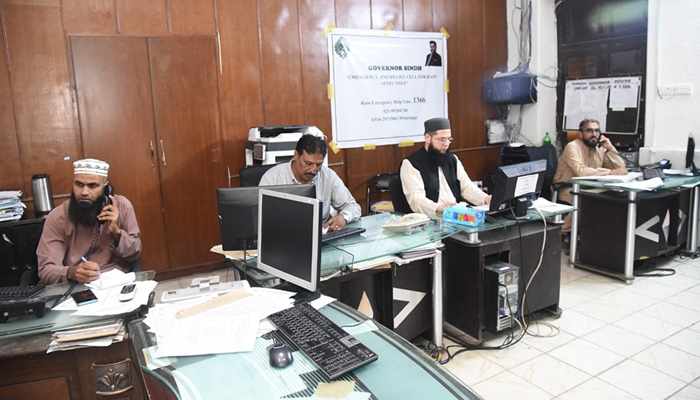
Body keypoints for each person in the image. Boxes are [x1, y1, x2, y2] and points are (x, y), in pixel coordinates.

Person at [37, 159, 142, 284]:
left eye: (93, 186)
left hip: (114, 283)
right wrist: (71, 272)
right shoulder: (58, 217)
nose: (84, 192)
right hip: (74, 285)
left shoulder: (122, 206)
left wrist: (116, 232)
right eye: (79, 184)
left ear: (105, 186)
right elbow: (46, 270)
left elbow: (135, 254)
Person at [259, 134, 361, 232]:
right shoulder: (272, 178)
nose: (313, 170)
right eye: (308, 163)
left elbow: (353, 206)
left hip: (321, 237)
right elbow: (260, 217)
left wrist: (344, 217)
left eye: (318, 164)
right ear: (296, 156)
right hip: (283, 236)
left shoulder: (328, 176)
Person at [553, 118, 628, 242]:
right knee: (586, 200)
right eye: (589, 131)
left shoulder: (599, 148)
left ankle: (596, 235)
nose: (594, 134)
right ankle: (564, 232)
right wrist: (609, 172)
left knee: (611, 196)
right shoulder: (572, 147)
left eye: (597, 131)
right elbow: (580, 171)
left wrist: (610, 148)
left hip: (590, 186)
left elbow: (620, 168)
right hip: (567, 186)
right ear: (580, 134)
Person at [400, 117, 491, 217]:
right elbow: (416, 199)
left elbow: (466, 187)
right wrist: (438, 208)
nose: (446, 144)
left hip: (456, 216)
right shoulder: (411, 163)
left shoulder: (452, 159)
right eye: (442, 140)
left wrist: (485, 199)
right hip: (430, 220)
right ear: (427, 138)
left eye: (449, 139)